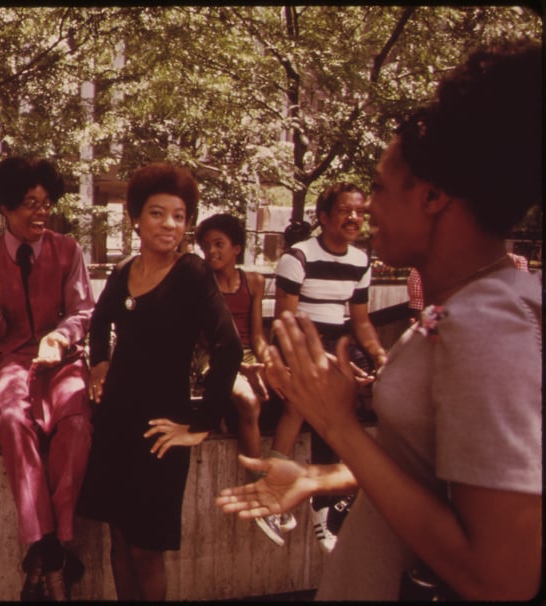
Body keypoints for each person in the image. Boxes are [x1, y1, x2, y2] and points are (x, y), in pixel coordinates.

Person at [217, 41, 542, 601]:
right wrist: (324, 477)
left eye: (383, 190)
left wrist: (339, 427)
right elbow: (437, 477)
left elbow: (501, 577)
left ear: (435, 197)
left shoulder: (490, 326)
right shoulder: (461, 307)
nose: (368, 212)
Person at [77, 163, 242, 601]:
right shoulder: (123, 271)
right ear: (135, 217)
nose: (169, 224)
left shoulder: (192, 273)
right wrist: (99, 365)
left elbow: (230, 348)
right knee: (117, 541)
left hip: (160, 431)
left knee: (146, 550)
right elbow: (98, 324)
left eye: (179, 215)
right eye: (157, 213)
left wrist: (200, 425)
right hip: (115, 424)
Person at [0, 157, 95, 601]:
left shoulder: (68, 249)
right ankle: (51, 550)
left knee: (75, 423)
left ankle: (51, 543)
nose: (40, 212)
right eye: (30, 203)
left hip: (62, 358)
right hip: (12, 358)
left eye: (46, 202)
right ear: (7, 208)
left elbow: (84, 310)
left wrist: (60, 335)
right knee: (13, 419)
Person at [254, 182, 388, 551]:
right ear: (324, 217)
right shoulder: (297, 257)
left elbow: (360, 321)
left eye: (360, 212)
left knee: (388, 392)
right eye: (345, 210)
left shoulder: (361, 261)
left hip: (338, 340)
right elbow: (286, 320)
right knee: (306, 398)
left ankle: (331, 500)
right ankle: (278, 490)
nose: (354, 218)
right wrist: (328, 360)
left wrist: (380, 356)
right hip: (298, 337)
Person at [194, 213, 271, 457]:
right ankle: (259, 478)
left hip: (248, 354)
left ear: (236, 248)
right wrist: (238, 368)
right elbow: (205, 338)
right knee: (249, 402)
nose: (211, 251)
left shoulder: (254, 282)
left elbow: (258, 336)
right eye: (206, 246)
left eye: (219, 244)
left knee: (295, 393)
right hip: (214, 356)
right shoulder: (201, 284)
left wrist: (270, 364)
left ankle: (280, 462)